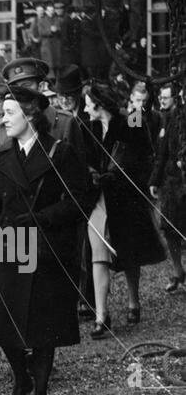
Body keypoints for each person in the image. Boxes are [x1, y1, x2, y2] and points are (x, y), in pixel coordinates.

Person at [0, 86, 86, 395]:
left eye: (9, 113)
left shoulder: (60, 152)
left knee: (43, 328)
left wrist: (40, 218)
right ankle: (20, 378)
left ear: (30, 116)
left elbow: (78, 202)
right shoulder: (1, 154)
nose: (2, 119)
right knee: (1, 326)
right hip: (8, 248)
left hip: (47, 250)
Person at [82, 81, 163, 337]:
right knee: (98, 253)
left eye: (88, 104)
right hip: (98, 197)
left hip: (125, 198)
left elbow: (147, 155)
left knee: (129, 250)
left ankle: (133, 300)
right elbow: (82, 159)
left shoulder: (132, 120)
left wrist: (126, 175)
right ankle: (101, 315)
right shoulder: (87, 126)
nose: (85, 109)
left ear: (99, 104)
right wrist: (92, 174)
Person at [150, 83, 186, 291]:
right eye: (160, 97)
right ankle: (177, 271)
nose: (162, 101)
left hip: (179, 179)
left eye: (166, 97)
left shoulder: (176, 117)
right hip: (167, 180)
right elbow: (136, 130)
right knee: (168, 227)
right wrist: (154, 180)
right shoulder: (154, 116)